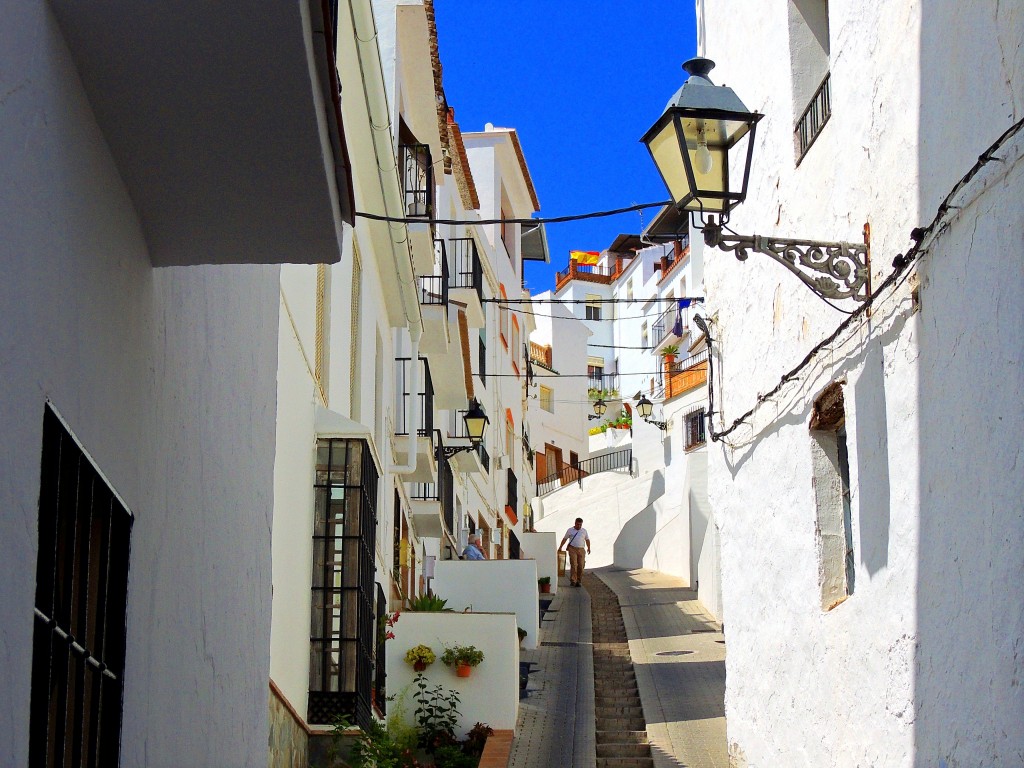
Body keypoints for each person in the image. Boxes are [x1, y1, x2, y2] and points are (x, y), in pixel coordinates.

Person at [558, 517, 590, 587]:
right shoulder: (570, 530)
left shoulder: (584, 531)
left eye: (580, 525)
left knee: (581, 565)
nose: (579, 526)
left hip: (581, 549)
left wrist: (589, 548)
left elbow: (587, 539)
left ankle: (578, 580)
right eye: (578, 524)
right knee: (574, 564)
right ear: (575, 523)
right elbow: (565, 539)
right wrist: (560, 547)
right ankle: (573, 580)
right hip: (572, 549)